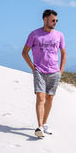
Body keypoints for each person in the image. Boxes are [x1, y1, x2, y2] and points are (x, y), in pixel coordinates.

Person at [22, 9, 66, 138]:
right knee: (40, 98)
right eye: (53, 20)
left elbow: (63, 53)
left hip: (54, 72)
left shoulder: (59, 35)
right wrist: (32, 67)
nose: (55, 23)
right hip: (39, 71)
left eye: (56, 20)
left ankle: (45, 123)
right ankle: (40, 126)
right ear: (45, 19)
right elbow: (24, 52)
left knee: (50, 98)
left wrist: (60, 71)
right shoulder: (34, 34)